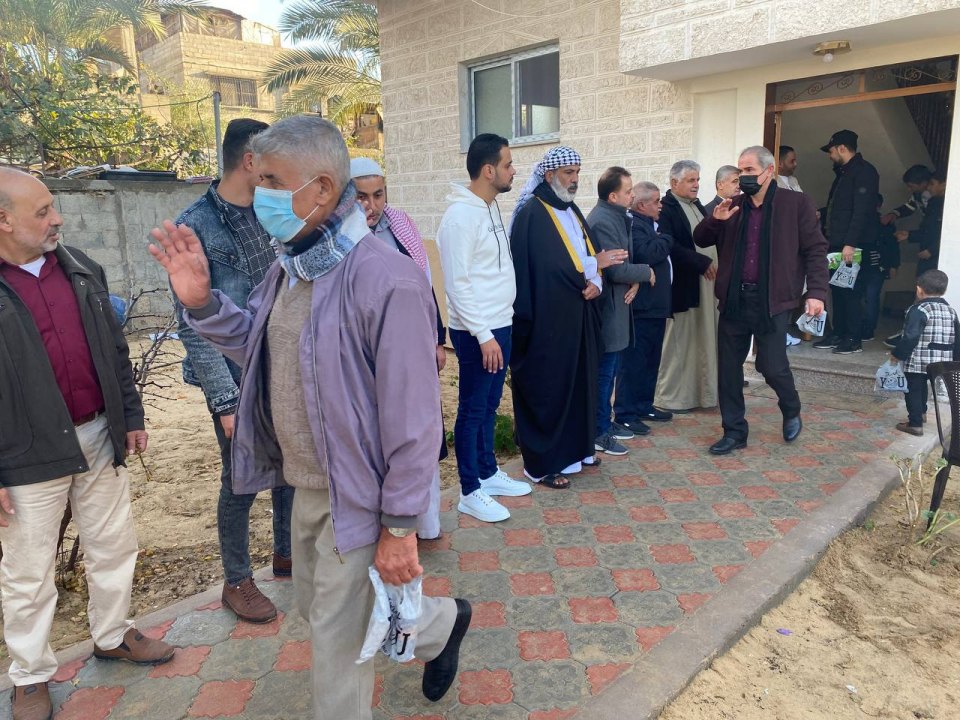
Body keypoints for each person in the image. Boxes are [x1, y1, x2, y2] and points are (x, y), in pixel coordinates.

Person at [149, 116, 469, 719]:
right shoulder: (291, 268)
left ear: (321, 188)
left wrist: (400, 526)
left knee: (336, 647)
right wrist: (203, 304)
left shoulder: (388, 281)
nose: (259, 193)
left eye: (272, 180)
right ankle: (440, 625)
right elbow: (263, 347)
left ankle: (426, 630)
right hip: (305, 485)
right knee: (318, 610)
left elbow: (415, 420)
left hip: (361, 495)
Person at [0, 168, 175, 720]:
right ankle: (30, 675)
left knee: (113, 545)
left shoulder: (79, 268)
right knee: (28, 573)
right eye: (42, 212)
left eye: (53, 207)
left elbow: (115, 351)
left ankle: (113, 635)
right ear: (3, 221)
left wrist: (130, 415)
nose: (57, 219)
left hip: (99, 434)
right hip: (25, 454)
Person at [173, 118, 294, 624]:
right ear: (250, 161)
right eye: (271, 163)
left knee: (291, 467)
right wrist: (224, 401)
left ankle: (288, 554)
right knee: (240, 479)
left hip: (280, 367)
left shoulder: (274, 212)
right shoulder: (195, 225)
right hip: (232, 377)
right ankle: (237, 580)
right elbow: (191, 323)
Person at [695, 146, 828, 455]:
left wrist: (817, 292)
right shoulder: (731, 206)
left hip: (772, 301)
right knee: (729, 369)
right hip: (734, 299)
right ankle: (734, 432)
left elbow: (816, 249)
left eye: (749, 170)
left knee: (772, 366)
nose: (743, 176)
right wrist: (715, 220)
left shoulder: (795, 204)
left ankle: (791, 407)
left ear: (769, 171)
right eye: (740, 171)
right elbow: (700, 239)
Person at [509, 146, 627, 488]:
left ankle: (577, 452)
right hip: (548, 321)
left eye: (577, 172)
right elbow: (547, 269)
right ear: (549, 175)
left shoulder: (571, 209)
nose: (575, 179)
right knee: (551, 387)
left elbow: (588, 254)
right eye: (568, 173)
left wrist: (595, 281)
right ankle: (542, 464)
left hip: (579, 315)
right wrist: (592, 267)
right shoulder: (534, 213)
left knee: (581, 384)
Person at [351, 156, 451, 538]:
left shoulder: (401, 225)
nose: (371, 205)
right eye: (361, 197)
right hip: (367, 357)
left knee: (419, 434)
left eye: (378, 195)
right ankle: (387, 533)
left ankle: (424, 525)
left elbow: (423, 284)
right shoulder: (339, 237)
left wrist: (437, 340)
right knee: (379, 440)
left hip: (413, 350)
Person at [436, 134, 531, 523]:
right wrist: (483, 335)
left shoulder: (489, 208)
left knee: (490, 404)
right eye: (508, 164)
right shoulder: (460, 217)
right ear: (489, 170)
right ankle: (469, 490)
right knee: (473, 409)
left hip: (499, 323)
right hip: (479, 332)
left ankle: (488, 473)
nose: (513, 171)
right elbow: (457, 285)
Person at [587, 167, 653, 455]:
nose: (633, 195)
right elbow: (615, 269)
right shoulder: (603, 220)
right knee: (604, 375)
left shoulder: (616, 216)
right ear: (613, 196)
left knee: (610, 372)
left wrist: (634, 279)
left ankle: (605, 421)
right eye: (628, 191)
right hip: (608, 309)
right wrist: (645, 272)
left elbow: (622, 263)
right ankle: (598, 432)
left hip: (617, 307)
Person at [655, 160, 718, 412]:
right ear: (674, 182)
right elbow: (668, 245)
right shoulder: (666, 209)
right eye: (691, 180)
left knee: (702, 341)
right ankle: (673, 398)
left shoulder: (697, 205)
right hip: (685, 286)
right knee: (680, 343)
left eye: (698, 180)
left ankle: (702, 395)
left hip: (706, 286)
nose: (696, 185)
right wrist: (701, 262)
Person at [614, 181, 674, 434]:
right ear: (641, 205)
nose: (660, 206)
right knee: (634, 362)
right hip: (642, 307)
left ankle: (644, 405)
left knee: (651, 360)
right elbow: (646, 254)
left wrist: (661, 238)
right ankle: (626, 413)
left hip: (656, 306)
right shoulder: (635, 225)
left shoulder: (650, 225)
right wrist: (666, 239)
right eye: (656, 201)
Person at [814, 129, 879, 355]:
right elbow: (839, 208)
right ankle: (839, 333)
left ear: (842, 148)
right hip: (837, 244)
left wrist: (850, 243)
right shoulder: (843, 173)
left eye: (831, 150)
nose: (830, 155)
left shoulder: (864, 172)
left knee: (851, 291)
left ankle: (853, 338)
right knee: (837, 289)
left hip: (853, 245)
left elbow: (861, 211)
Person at [890, 269, 958, 436]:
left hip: (919, 360)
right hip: (942, 361)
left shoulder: (919, 309)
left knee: (914, 388)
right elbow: (957, 338)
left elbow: (910, 337)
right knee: (924, 386)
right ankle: (922, 413)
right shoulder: (951, 311)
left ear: (919, 289)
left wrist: (898, 354)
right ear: (944, 290)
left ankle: (915, 423)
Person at [895, 168, 946, 276]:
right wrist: (910, 235)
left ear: (944, 185)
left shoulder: (950, 205)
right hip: (928, 251)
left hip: (940, 256)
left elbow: (949, 233)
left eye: (932, 184)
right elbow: (929, 229)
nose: (929, 187)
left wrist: (932, 250)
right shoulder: (933, 202)